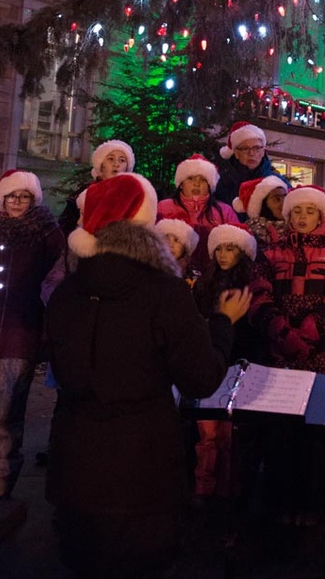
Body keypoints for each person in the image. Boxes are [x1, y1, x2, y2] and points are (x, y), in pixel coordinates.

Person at [45, 171, 251, 578]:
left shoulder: (67, 292)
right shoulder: (164, 291)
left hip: (74, 466)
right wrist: (223, 323)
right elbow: (201, 377)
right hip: (143, 470)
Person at [250, 185, 325, 525]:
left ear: (322, 216)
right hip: (280, 358)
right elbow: (259, 297)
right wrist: (283, 333)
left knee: (316, 434)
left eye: (310, 211)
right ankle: (282, 501)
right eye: (297, 211)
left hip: (323, 357)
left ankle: (312, 503)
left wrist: (307, 334)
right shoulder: (270, 255)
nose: (303, 217)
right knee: (281, 434)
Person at [0, 169, 64, 500]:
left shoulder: (47, 235)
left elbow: (54, 283)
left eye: (23, 196)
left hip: (20, 335)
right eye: (11, 196)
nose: (16, 202)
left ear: (33, 199)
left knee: (6, 411)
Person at [191, 226, 265, 511]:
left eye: (230, 248)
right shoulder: (205, 285)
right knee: (208, 433)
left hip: (239, 363)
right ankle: (203, 485)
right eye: (219, 249)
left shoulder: (251, 286)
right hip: (211, 362)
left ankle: (228, 487)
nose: (223, 255)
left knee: (233, 433)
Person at [157, 153, 240, 272]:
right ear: (181, 184)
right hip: (170, 272)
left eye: (203, 179)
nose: (196, 183)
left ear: (210, 185)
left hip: (212, 275)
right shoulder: (163, 207)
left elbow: (236, 246)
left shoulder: (224, 211)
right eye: (190, 178)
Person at [213, 122, 289, 206]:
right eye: (245, 149)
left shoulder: (279, 183)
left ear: (263, 151)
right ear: (236, 153)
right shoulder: (221, 183)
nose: (251, 153)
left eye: (256, 148)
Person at [231, 174, 289, 247]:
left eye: (285, 197)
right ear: (263, 205)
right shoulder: (253, 234)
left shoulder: (296, 225)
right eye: (277, 199)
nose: (284, 203)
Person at [154, 217, 200, 285]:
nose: (170, 245)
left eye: (177, 240)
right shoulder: (153, 270)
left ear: (185, 247)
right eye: (166, 239)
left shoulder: (193, 275)